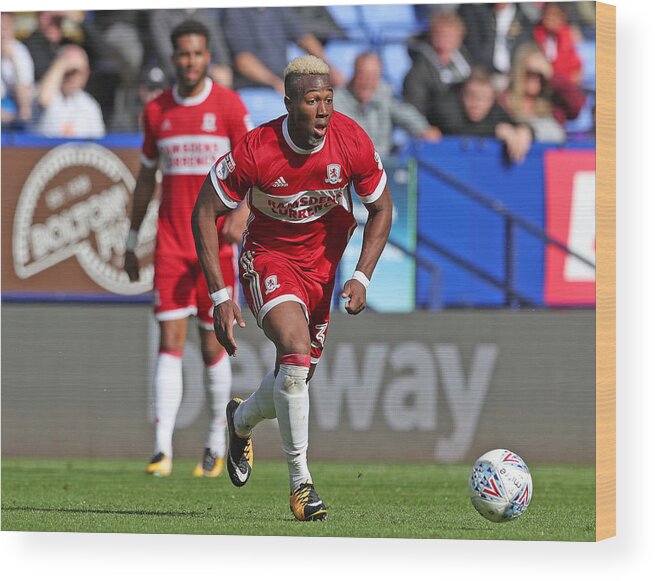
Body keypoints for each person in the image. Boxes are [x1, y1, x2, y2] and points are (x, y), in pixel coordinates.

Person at [191, 55, 392, 520]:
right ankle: (301, 485)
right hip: (268, 260)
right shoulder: (256, 149)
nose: (322, 109)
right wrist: (221, 297)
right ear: (288, 104)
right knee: (296, 350)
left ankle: (240, 421)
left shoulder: (351, 140)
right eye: (311, 100)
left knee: (294, 377)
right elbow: (205, 212)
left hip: (323, 273)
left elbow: (381, 208)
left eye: (327, 99)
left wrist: (362, 275)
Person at [124, 20, 252, 478]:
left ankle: (216, 446)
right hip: (172, 246)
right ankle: (162, 450)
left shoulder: (230, 108)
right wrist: (129, 237)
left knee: (213, 344)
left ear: (207, 56)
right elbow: (145, 179)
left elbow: (254, 169)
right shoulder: (157, 111)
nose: (191, 61)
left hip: (215, 250)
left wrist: (241, 213)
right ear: (173, 57)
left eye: (198, 54)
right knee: (169, 342)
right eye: (183, 54)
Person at [334, 51, 441, 155]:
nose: (367, 81)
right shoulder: (335, 101)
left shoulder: (386, 94)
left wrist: (423, 129)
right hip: (347, 165)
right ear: (354, 73)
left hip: (383, 164)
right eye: (362, 74)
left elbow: (404, 112)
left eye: (373, 76)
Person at [221, 6, 345, 94]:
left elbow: (305, 39)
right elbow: (243, 61)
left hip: (282, 83)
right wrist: (275, 83)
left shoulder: (278, 8)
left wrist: (329, 67)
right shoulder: (235, 11)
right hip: (254, 87)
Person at [442, 67, 533, 164]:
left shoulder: (495, 109)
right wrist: (495, 131)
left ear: (492, 99)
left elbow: (513, 125)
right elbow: (457, 129)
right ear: (461, 93)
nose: (476, 104)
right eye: (470, 95)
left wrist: (525, 130)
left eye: (483, 98)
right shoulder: (447, 106)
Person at [499, 42, 585, 143]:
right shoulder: (505, 99)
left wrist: (550, 75)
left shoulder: (553, 102)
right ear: (520, 72)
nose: (535, 78)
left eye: (539, 74)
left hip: (550, 157)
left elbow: (577, 107)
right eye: (530, 72)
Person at [403, 11, 473, 131]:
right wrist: (424, 129)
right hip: (436, 134)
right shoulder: (418, 72)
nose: (446, 39)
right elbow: (413, 109)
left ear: (460, 38)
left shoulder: (468, 65)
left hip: (466, 131)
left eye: (451, 35)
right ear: (432, 36)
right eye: (441, 34)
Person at [458, 3, 535, 91]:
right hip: (484, 75)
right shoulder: (477, 13)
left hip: (513, 79)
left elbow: (524, 54)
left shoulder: (525, 20)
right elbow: (474, 49)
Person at [35, 44, 105, 138]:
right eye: (67, 71)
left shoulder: (89, 104)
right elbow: (43, 100)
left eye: (76, 72)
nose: (71, 77)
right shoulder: (46, 90)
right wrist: (63, 63)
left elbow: (99, 142)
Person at [533, 2, 582, 85]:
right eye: (548, 14)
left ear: (563, 17)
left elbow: (577, 69)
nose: (551, 18)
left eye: (555, 14)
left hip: (564, 85)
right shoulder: (535, 36)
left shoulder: (569, 36)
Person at [1, 12, 35, 126]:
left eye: (6, 27)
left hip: (13, 115)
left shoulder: (20, 52)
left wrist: (13, 60)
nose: (3, 33)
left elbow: (25, 106)